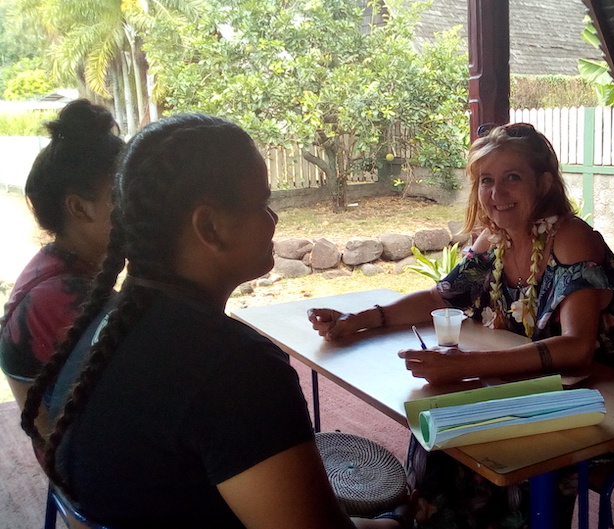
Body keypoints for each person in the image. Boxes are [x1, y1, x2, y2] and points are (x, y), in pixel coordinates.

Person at [20, 114, 405, 529]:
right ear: (210, 226)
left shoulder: (105, 325)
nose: (273, 220)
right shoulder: (234, 369)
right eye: (261, 204)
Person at [308, 122, 614, 528]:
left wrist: (466, 365)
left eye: (512, 178)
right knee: (440, 425)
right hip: (531, 384)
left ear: (542, 184)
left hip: (602, 400)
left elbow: (577, 348)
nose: (496, 193)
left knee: (498, 445)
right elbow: (441, 297)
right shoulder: (494, 240)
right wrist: (361, 320)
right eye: (486, 180)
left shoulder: (570, 238)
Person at [0, 99, 124, 412]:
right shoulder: (63, 296)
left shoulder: (57, 267)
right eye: (124, 195)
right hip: (73, 455)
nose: (142, 207)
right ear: (80, 208)